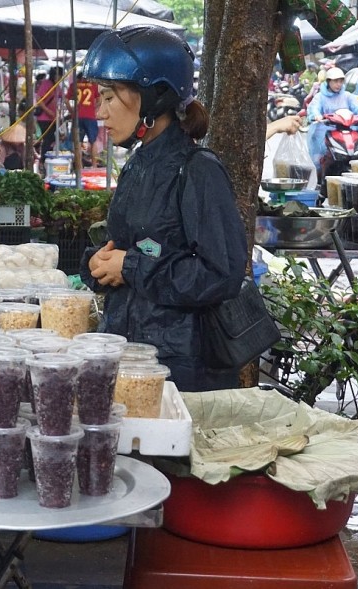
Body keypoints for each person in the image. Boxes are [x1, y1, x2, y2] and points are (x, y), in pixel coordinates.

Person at [79, 24, 248, 392]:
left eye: (108, 97)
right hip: (127, 351)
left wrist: (132, 266)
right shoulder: (139, 164)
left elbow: (222, 274)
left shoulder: (199, 169)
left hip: (179, 367)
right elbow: (132, 246)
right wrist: (99, 263)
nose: (100, 112)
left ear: (154, 94)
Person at [306, 67, 358, 175]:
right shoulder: (320, 97)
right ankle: (320, 179)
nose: (338, 84)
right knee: (318, 161)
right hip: (324, 134)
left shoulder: (347, 96)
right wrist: (316, 116)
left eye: (341, 81)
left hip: (345, 132)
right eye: (335, 81)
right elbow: (313, 108)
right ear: (328, 82)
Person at [68, 74, 101, 167]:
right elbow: (99, 100)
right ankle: (94, 165)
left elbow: (66, 100)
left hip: (77, 116)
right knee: (93, 141)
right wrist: (94, 108)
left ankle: (80, 167)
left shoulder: (74, 85)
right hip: (90, 117)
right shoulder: (94, 85)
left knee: (77, 142)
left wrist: (71, 111)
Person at [36, 65, 64, 173]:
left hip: (53, 119)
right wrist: (49, 112)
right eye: (60, 75)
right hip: (44, 118)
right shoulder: (46, 84)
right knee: (47, 140)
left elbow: (62, 99)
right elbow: (39, 99)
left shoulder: (58, 86)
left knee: (52, 140)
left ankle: (48, 160)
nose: (61, 78)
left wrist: (60, 113)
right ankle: (43, 161)